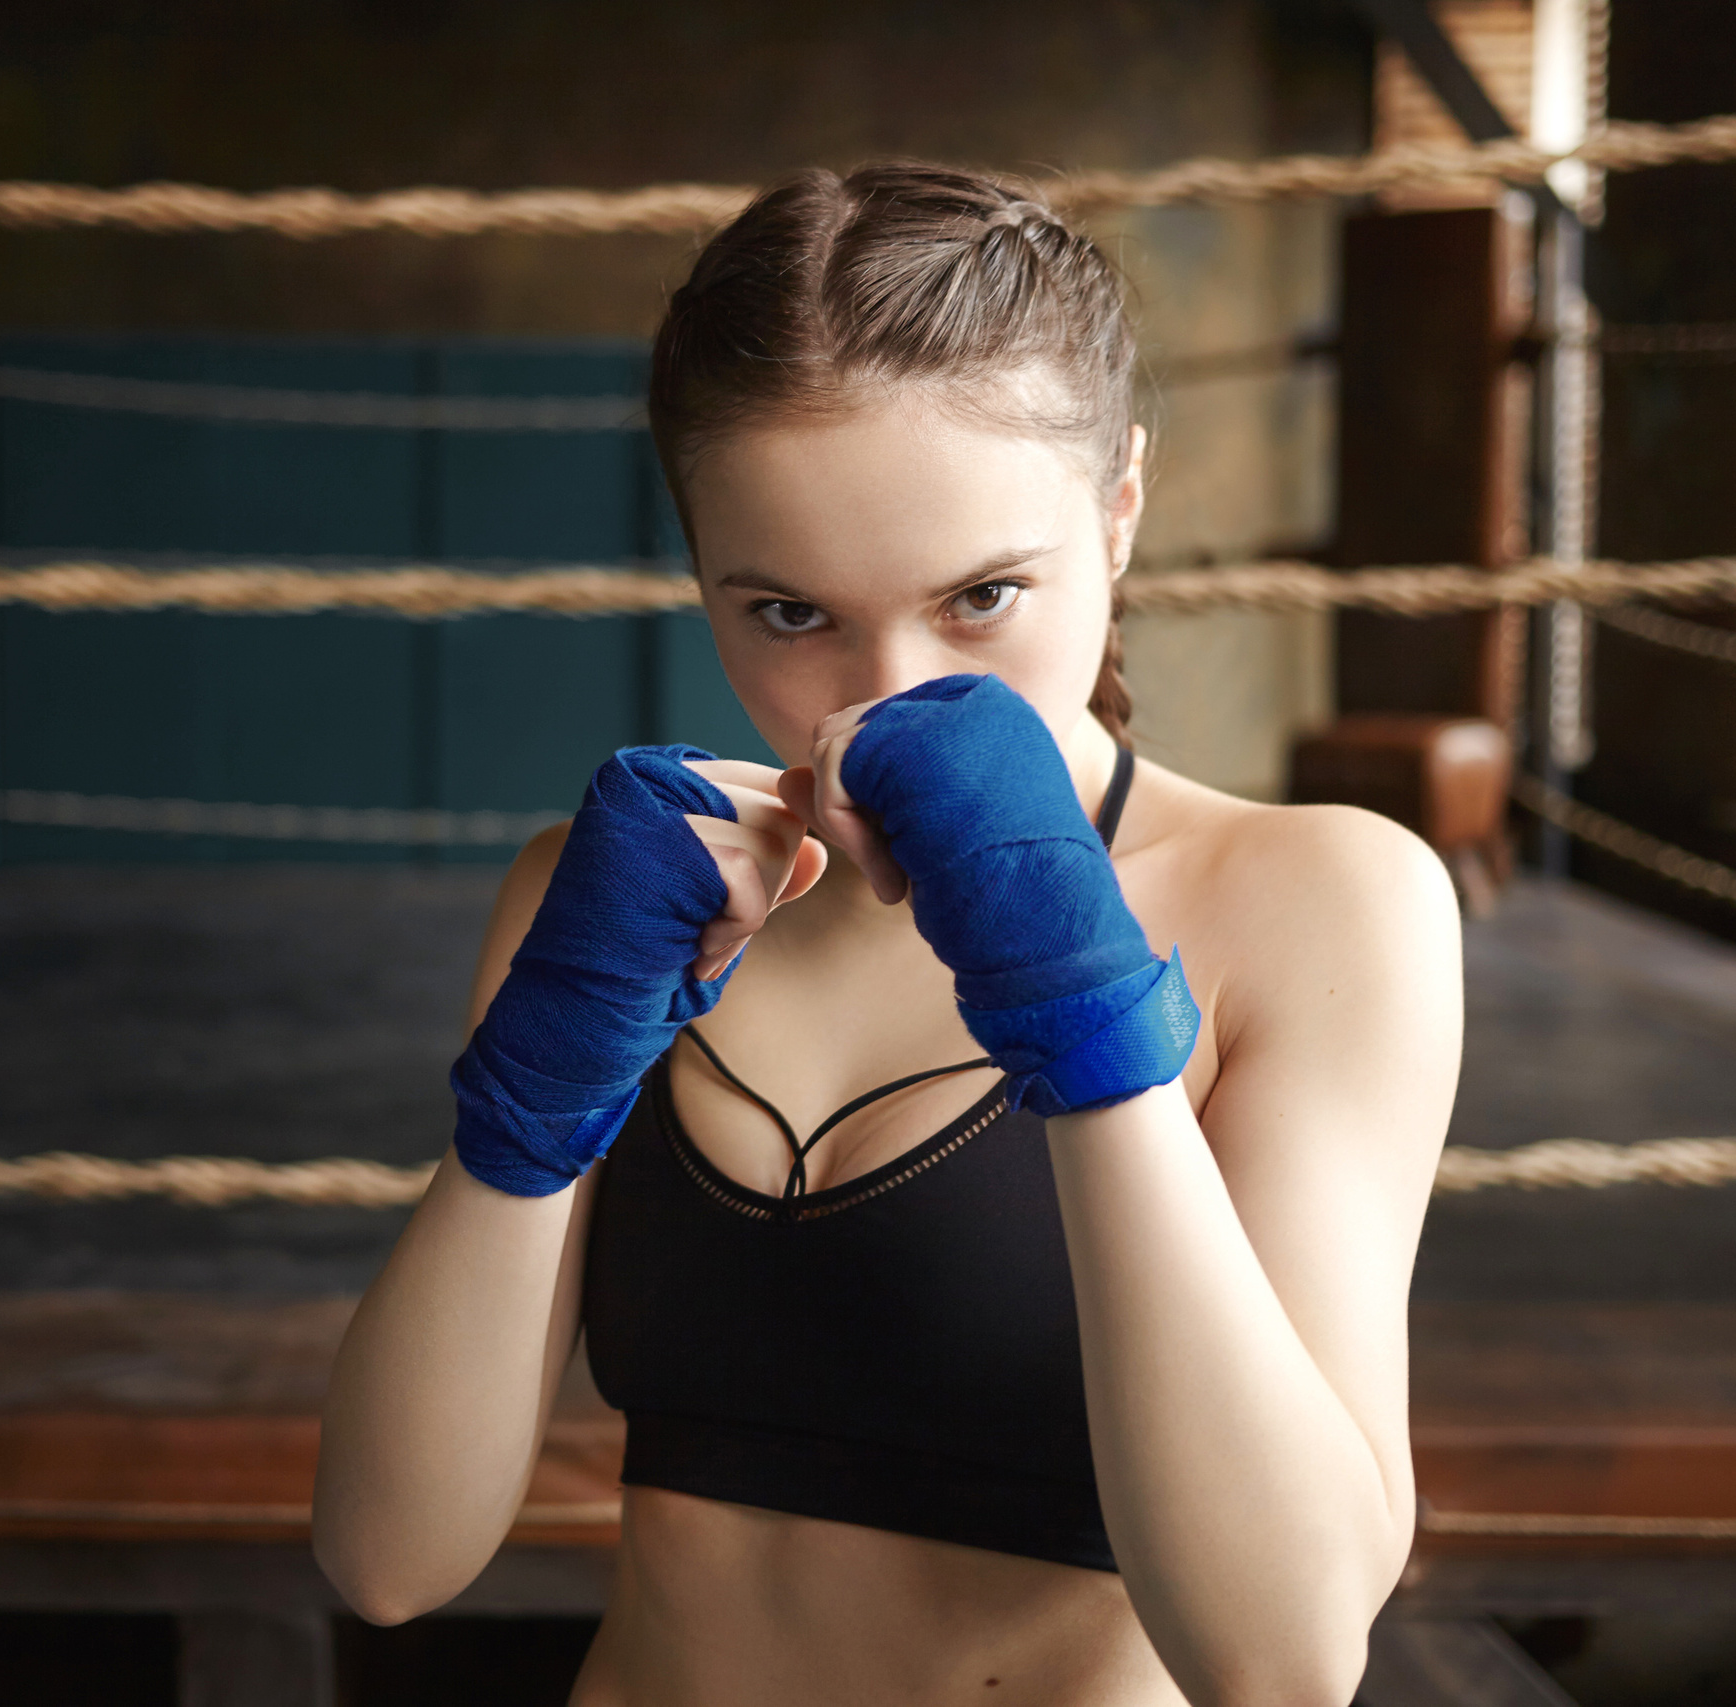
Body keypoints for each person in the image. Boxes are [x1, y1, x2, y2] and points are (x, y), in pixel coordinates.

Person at [313, 162, 1462, 1707]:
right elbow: (389, 1560)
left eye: (983, 596)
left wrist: (1080, 998)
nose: (882, 694)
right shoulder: (605, 902)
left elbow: (1287, 1660)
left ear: (1119, 509)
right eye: (791, 614)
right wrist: (542, 1079)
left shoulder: (1316, 901)